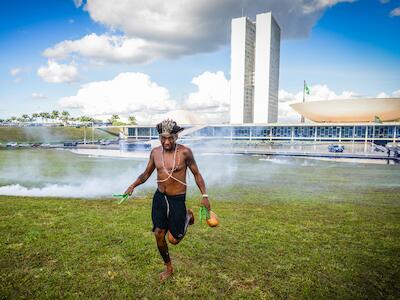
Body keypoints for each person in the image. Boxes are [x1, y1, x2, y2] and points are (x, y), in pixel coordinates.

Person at [124, 119, 211, 282]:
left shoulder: (185, 152)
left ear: (176, 136)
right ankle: (169, 267)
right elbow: (146, 173)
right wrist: (132, 185)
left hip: (177, 200)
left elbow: (197, 174)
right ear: (159, 137)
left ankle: (187, 216)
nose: (167, 141)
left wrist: (204, 196)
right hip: (160, 198)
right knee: (158, 233)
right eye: (163, 138)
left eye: (171, 137)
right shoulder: (155, 152)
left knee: (173, 240)